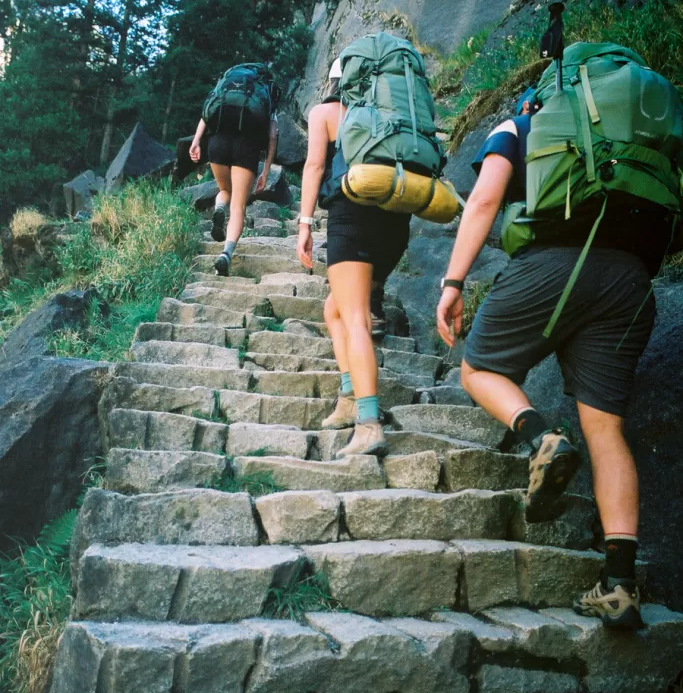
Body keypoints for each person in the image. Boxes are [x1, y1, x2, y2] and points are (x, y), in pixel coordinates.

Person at [435, 92, 674, 630]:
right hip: (631, 281)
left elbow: (483, 200)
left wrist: (453, 282)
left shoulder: (523, 124)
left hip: (553, 264)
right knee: (606, 428)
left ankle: (539, 435)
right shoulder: (640, 132)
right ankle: (619, 584)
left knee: (477, 368)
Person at [297, 58, 411, 457]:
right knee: (335, 309)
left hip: (352, 219)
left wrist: (305, 223)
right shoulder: (397, 114)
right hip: (396, 223)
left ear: (335, 81)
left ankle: (368, 423)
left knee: (355, 317)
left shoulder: (326, 112)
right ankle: (348, 398)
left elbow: (314, 166)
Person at [189, 82, 279, 276]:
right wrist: (266, 169)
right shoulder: (265, 94)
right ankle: (225, 255)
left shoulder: (225, 88)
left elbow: (206, 114)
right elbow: (272, 135)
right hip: (247, 146)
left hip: (217, 142)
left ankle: (220, 208)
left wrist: (196, 142)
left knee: (225, 190)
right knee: (238, 206)